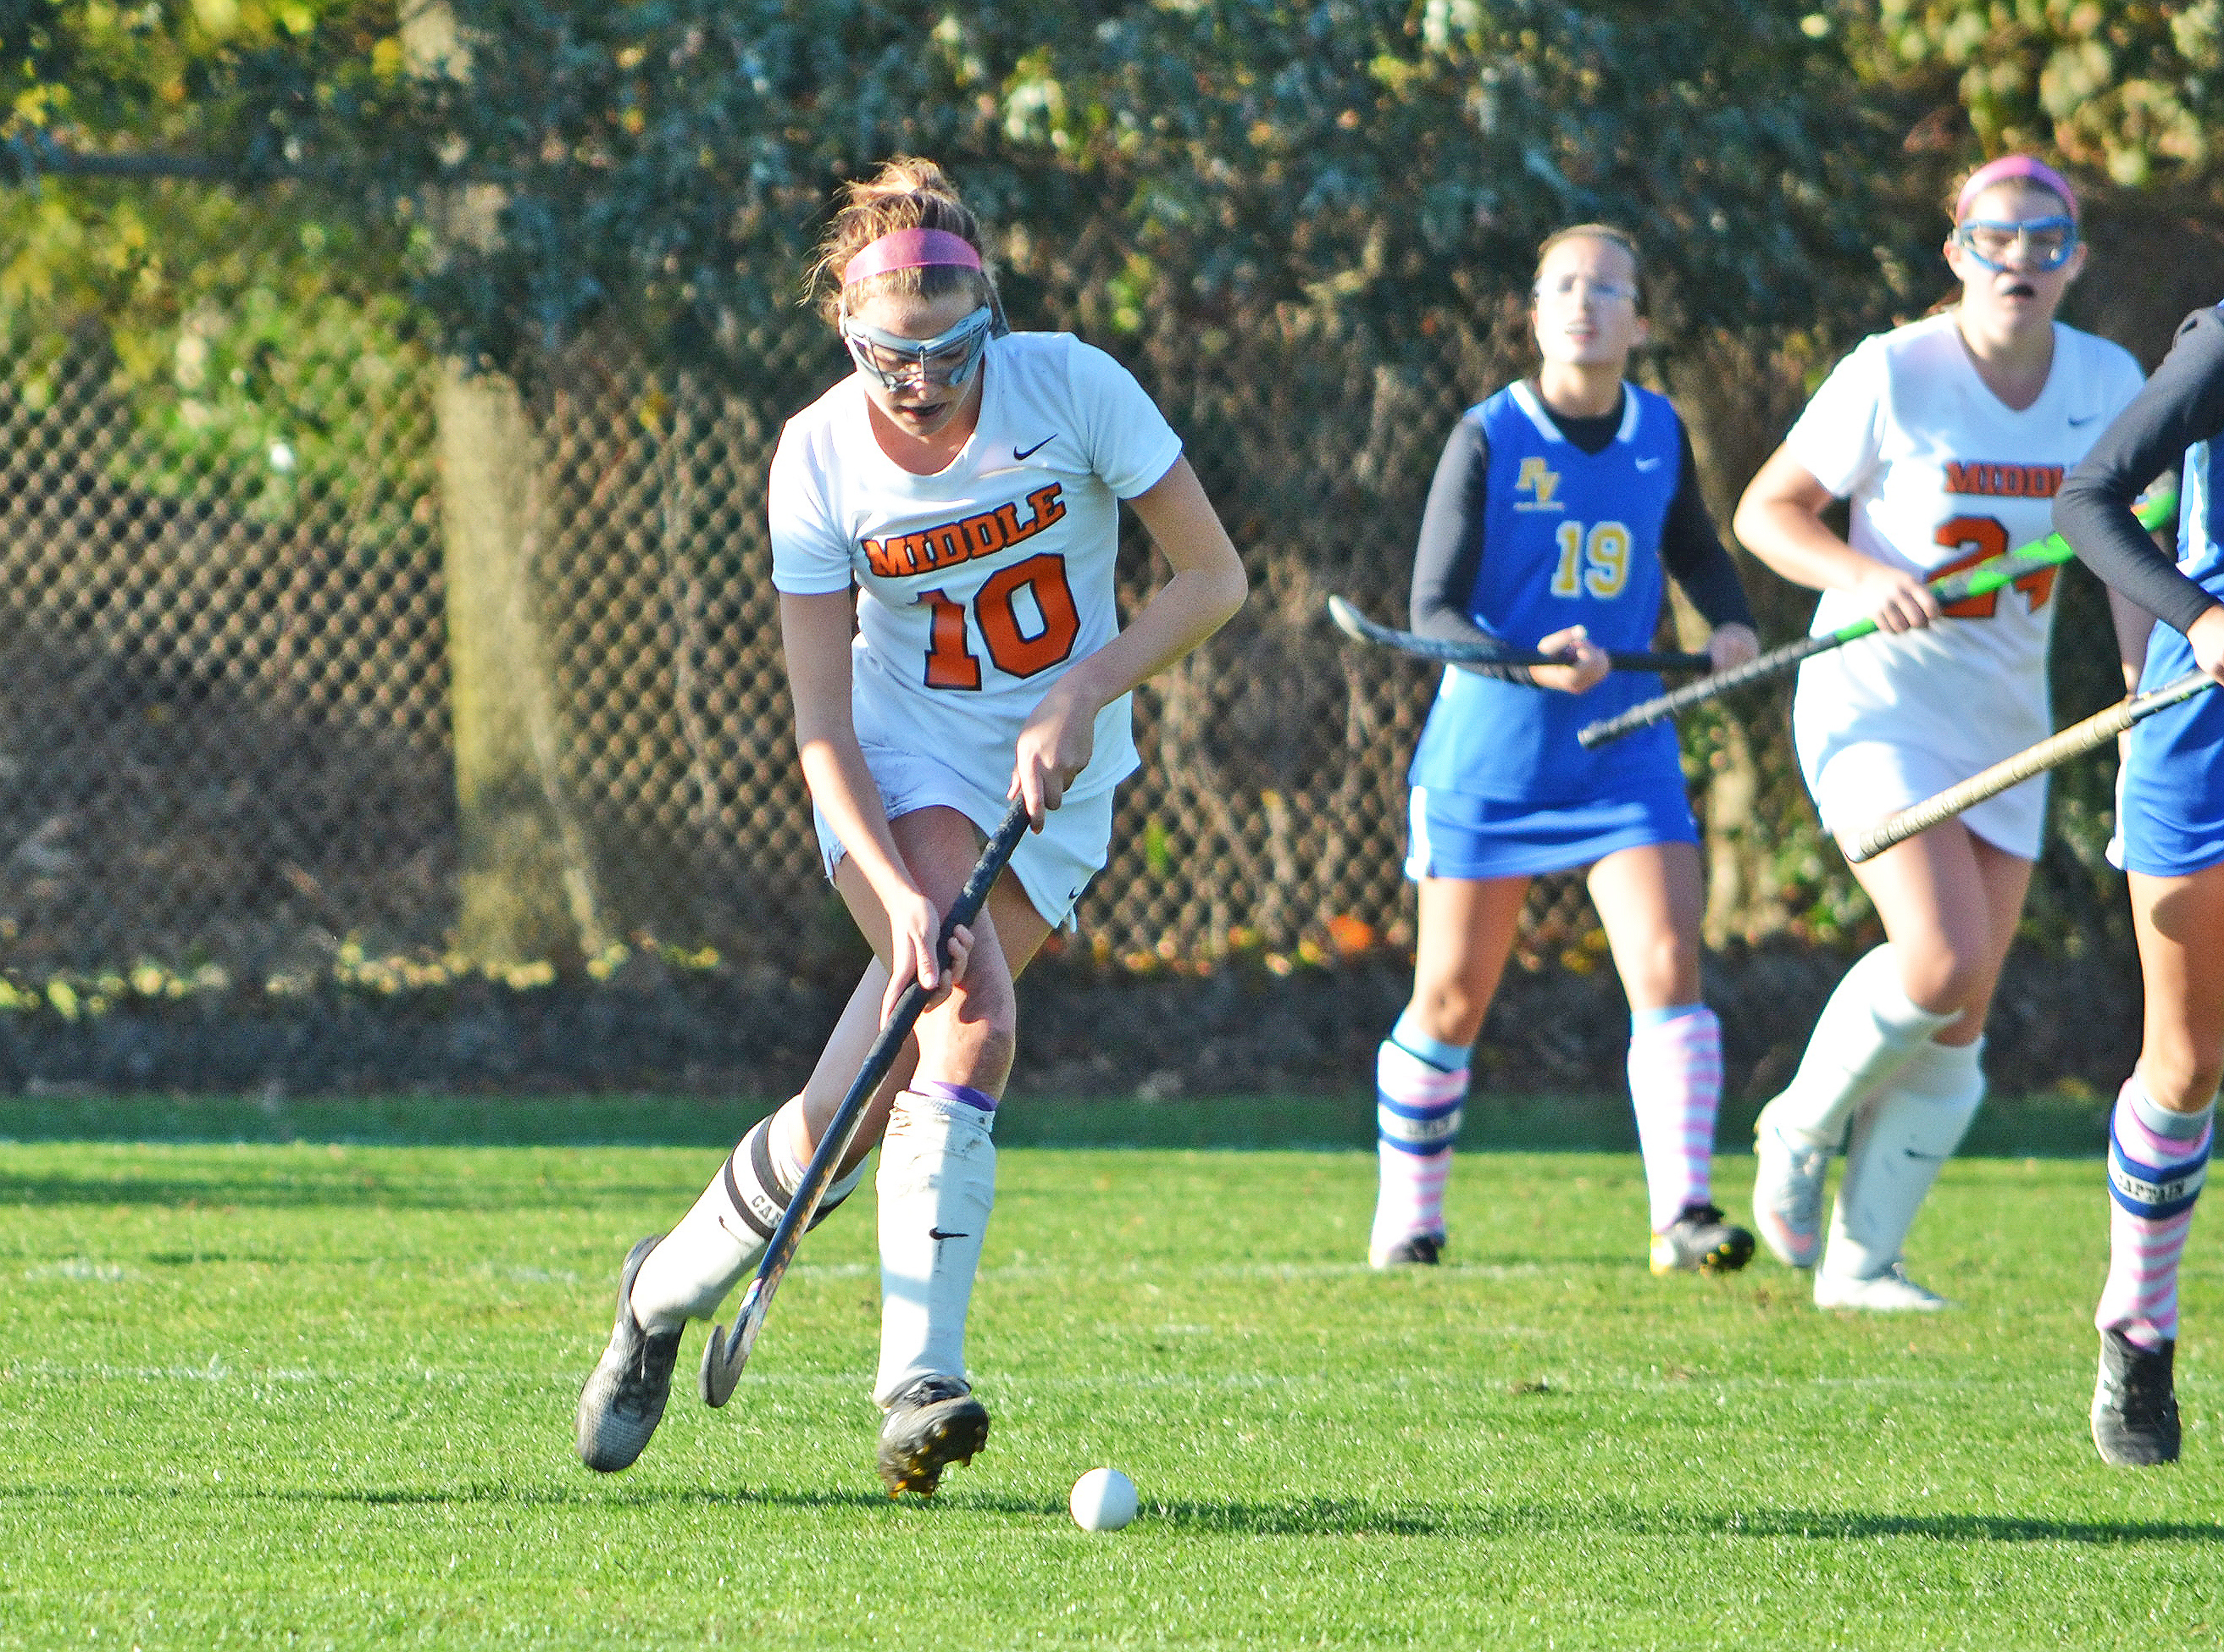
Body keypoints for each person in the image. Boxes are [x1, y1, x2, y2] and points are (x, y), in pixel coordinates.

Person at [574, 158, 1246, 1494]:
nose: (924, 383)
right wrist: (892, 891)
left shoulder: (1077, 388)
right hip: (897, 772)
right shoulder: (816, 455)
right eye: (895, 359)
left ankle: (660, 1289)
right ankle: (915, 1384)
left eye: (949, 353)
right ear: (845, 328)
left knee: (858, 1099)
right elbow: (820, 729)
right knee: (973, 1013)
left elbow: (1213, 576)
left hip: (1059, 775)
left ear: (986, 311)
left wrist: (1085, 687)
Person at [1734, 156, 2144, 1309]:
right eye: (1996, 237)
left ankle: (1863, 1264)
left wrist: (2126, 697)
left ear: (2073, 258)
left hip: (2005, 716)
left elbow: (2124, 549)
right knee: (1939, 953)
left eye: (2047, 239)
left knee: (1959, 1017)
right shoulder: (1894, 370)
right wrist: (1861, 575)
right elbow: (1766, 511)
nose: (2020, 259)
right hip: (1877, 700)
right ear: (1957, 250)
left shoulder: (2107, 380)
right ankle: (1796, 1125)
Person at [1366, 223, 1762, 1278]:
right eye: (1564, 287)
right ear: (1535, 313)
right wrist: (1530, 664)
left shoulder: (1659, 430)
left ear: (1640, 317)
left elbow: (1696, 551)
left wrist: (1727, 623)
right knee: (1451, 995)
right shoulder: (1488, 436)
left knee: (1670, 963)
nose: (1585, 304)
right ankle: (1408, 1221)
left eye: (1608, 288)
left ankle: (1683, 1214)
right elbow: (1432, 611)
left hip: (1622, 746)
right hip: (1492, 751)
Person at [2054, 298, 2224, 1464]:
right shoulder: (2220, 346)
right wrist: (2201, 615)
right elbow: (2087, 499)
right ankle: (2138, 1322)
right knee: (2188, 1056)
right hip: (2202, 731)